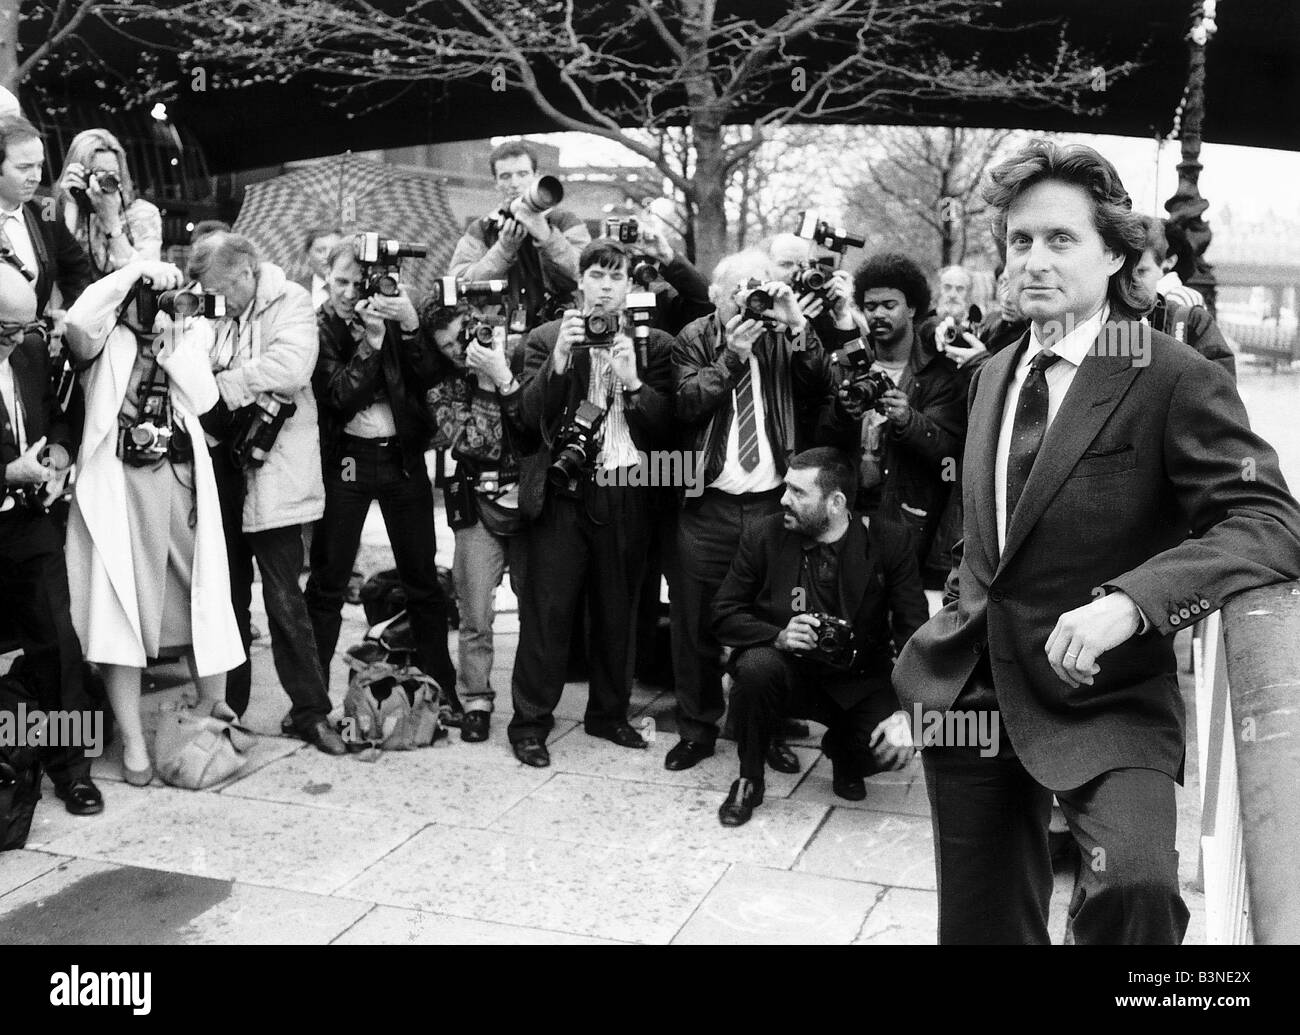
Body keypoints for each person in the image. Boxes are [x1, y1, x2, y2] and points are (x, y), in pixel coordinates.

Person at [893, 140, 1300, 945]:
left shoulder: (1170, 374)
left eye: (1061, 239)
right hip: (971, 690)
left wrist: (1134, 602)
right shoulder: (992, 371)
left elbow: (1270, 521)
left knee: (1139, 892)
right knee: (980, 928)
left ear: (1115, 252)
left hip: (1107, 699)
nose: (1033, 261)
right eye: (1019, 241)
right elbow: (988, 535)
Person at [64, 258, 244, 785]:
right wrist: (132, 273)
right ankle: (136, 745)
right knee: (122, 609)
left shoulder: (189, 333)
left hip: (182, 480)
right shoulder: (103, 339)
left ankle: (212, 724)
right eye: (147, 297)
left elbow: (206, 401)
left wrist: (175, 348)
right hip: (121, 486)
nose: (156, 306)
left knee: (202, 602)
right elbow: (77, 321)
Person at [665, 249, 842, 773]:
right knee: (694, 620)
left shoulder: (779, 332)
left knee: (772, 619)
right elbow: (687, 403)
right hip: (709, 504)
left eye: (759, 285)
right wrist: (732, 359)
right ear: (717, 295)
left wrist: (797, 326)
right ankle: (697, 728)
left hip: (771, 503)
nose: (750, 296)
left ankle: (762, 730)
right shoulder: (694, 337)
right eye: (739, 287)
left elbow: (820, 384)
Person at [507, 239, 676, 767]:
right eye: (597, 275)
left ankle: (609, 714)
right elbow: (524, 420)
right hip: (564, 491)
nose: (606, 286)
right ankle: (531, 722)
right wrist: (558, 363)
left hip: (626, 492)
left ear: (631, 285)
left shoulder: (654, 343)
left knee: (619, 614)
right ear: (580, 281)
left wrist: (633, 382)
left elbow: (669, 427)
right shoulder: (546, 336)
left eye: (617, 276)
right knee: (547, 612)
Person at [713, 448, 927, 825]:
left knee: (889, 749)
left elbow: (915, 630)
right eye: (785, 489)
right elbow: (723, 613)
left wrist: (910, 715)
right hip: (789, 674)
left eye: (797, 492)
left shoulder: (889, 540)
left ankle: (846, 756)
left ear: (836, 502)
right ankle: (749, 778)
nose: (783, 500)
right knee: (755, 667)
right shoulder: (764, 534)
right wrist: (778, 636)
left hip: (860, 679)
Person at [189, 232, 341, 754]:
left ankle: (311, 711)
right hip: (222, 471)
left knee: (283, 597)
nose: (217, 302)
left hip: (273, 471)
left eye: (223, 289)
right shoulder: (213, 307)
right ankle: (230, 710)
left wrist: (223, 385)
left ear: (249, 270)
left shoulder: (293, 300)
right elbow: (191, 363)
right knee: (226, 595)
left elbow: (292, 368)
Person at [306, 238, 458, 704]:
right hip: (348, 456)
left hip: (400, 456)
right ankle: (311, 700)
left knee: (422, 580)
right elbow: (338, 395)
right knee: (329, 582)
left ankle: (441, 689)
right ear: (325, 280)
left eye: (358, 282)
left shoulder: (394, 316)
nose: (349, 293)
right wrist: (372, 346)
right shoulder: (320, 326)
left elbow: (433, 377)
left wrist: (409, 326)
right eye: (340, 282)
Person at [0, 261, 102, 815]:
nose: (16, 341)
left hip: (32, 522)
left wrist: (59, 453)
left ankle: (72, 770)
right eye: (4, 332)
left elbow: (61, 415)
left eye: (24, 329)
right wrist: (6, 475)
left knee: (60, 645)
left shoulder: (31, 350)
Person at [420, 296, 533, 744]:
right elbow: (478, 444)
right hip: (476, 504)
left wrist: (501, 369)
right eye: (446, 346)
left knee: (537, 610)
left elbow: (532, 421)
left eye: (463, 334)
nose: (458, 348)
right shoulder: (441, 390)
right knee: (475, 612)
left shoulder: (521, 357)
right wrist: (488, 380)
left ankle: (530, 703)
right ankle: (477, 701)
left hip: (529, 502)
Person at [819, 252, 967, 585]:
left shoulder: (938, 372)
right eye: (870, 307)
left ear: (912, 307)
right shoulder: (844, 360)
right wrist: (842, 413)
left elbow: (949, 454)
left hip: (908, 518)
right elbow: (821, 439)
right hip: (849, 510)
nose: (878, 315)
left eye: (889, 305)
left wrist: (907, 420)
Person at [447, 140, 590, 329]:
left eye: (522, 174)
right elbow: (459, 286)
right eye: (505, 176)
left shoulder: (565, 221)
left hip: (558, 329)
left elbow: (585, 274)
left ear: (535, 176)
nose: (514, 184)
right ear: (496, 183)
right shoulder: (482, 229)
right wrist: (503, 251)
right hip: (498, 332)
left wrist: (547, 237)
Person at [0, 113, 92, 322]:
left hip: (29, 344)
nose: (36, 177)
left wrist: (67, 312)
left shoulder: (46, 209)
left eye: (39, 165)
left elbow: (78, 267)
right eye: (24, 167)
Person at [1134, 215, 1235, 378]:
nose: (1132, 281)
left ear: (1164, 266)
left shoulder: (1191, 319)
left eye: (1141, 271)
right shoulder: (1100, 323)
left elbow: (1219, 390)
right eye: (1124, 272)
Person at [54, 129, 162, 280]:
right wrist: (71, 204)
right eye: (97, 173)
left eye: (113, 174)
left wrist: (112, 223)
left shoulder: (143, 213)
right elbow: (52, 271)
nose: (106, 181)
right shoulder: (50, 208)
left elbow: (147, 278)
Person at [297, 226, 341, 311]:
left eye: (335, 250)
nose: (328, 256)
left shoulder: (357, 289)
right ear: (308, 256)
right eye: (320, 250)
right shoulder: (295, 290)